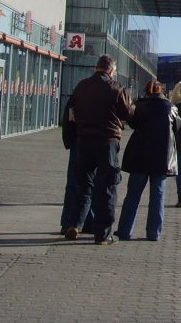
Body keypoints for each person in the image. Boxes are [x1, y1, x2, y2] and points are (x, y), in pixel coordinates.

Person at [64, 54, 133, 245]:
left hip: (83, 141)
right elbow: (128, 113)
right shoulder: (117, 88)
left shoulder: (81, 86)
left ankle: (75, 224)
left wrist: (70, 139)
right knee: (107, 187)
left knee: (83, 185)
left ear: (97, 68)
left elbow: (69, 113)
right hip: (107, 142)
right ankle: (103, 234)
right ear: (111, 70)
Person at [115, 80, 180, 242]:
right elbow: (178, 126)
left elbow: (133, 123)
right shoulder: (170, 107)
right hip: (161, 157)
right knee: (157, 196)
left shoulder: (141, 105)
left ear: (147, 91)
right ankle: (153, 233)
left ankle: (124, 231)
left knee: (133, 195)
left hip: (140, 156)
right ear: (162, 91)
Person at [59, 95, 94, 236]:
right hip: (99, 144)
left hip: (78, 143)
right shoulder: (110, 92)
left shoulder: (79, 92)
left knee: (73, 184)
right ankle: (89, 222)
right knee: (93, 185)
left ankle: (68, 222)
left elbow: (68, 120)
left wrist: (69, 141)